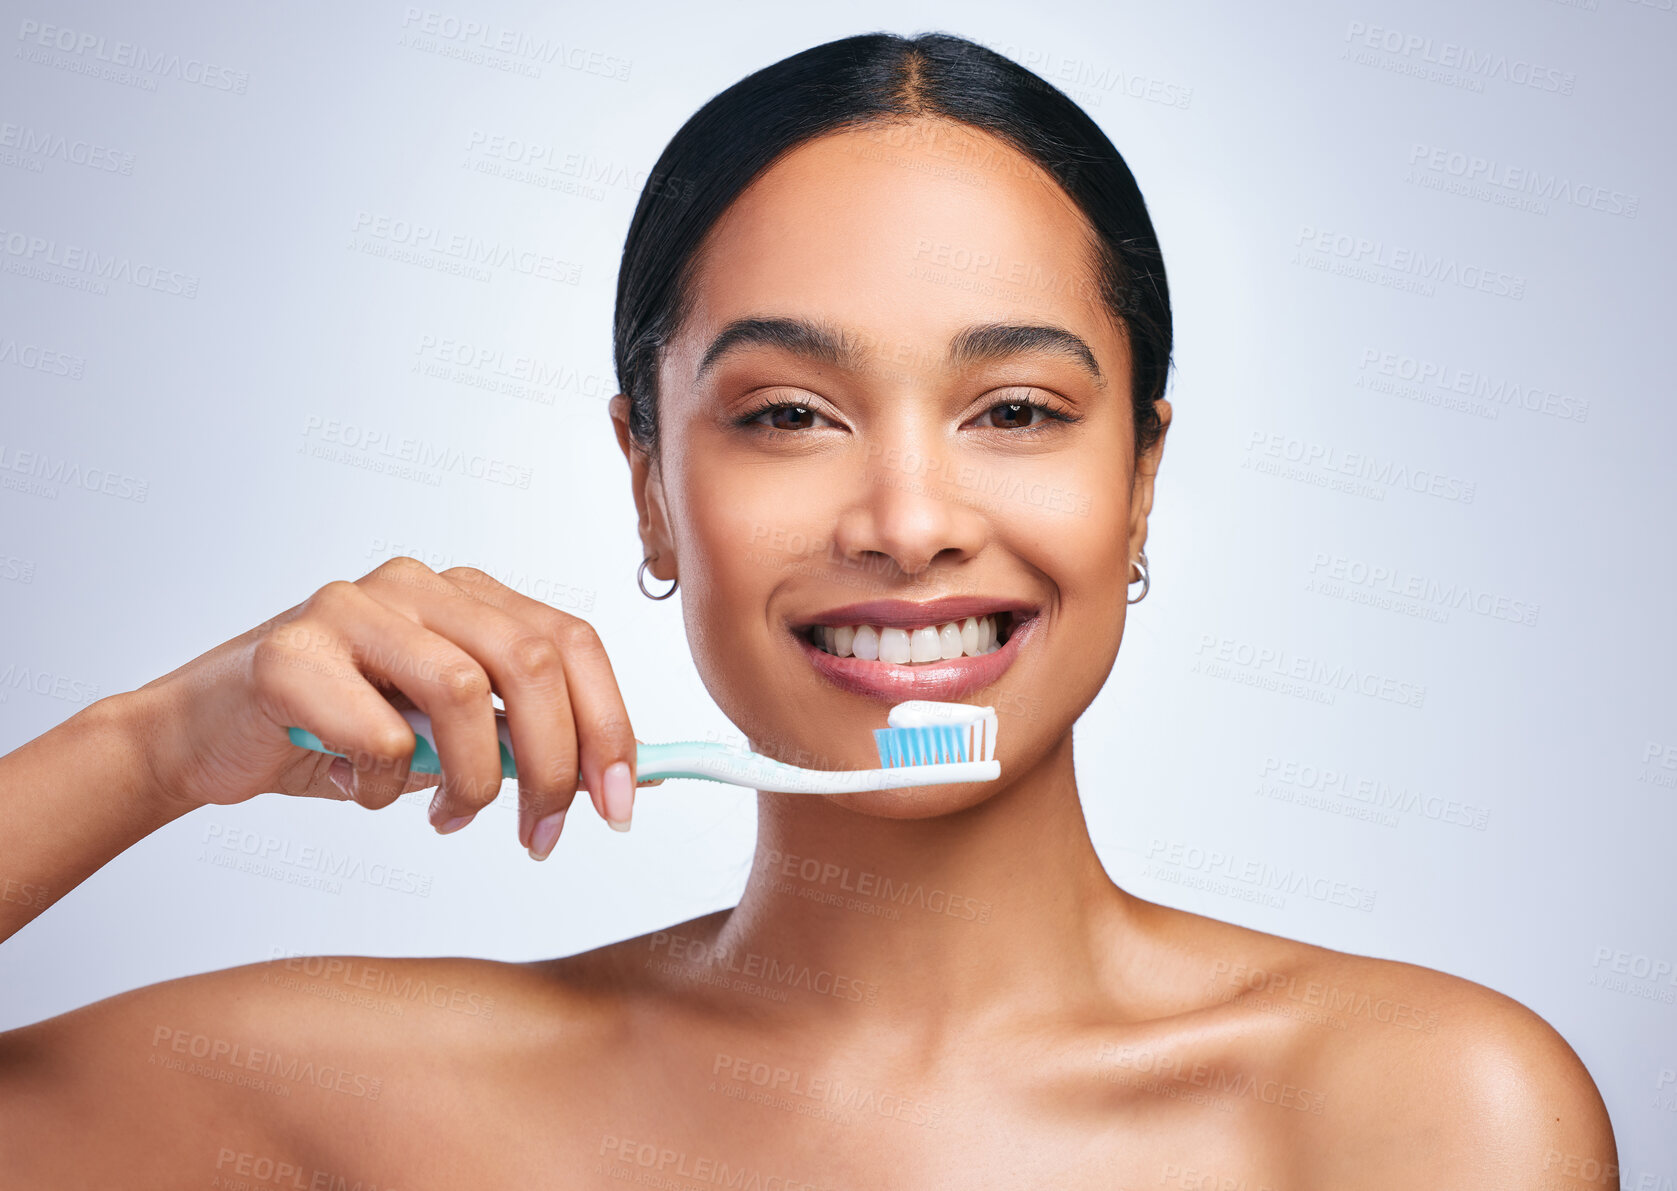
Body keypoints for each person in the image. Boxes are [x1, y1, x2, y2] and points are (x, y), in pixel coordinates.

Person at [0, 31, 1615, 1186]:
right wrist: (151, 747)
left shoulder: (1416, 1112)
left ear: (1138, 483)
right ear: (649, 482)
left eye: (1018, 412)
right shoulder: (352, 1099)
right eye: (785, 413)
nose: (909, 525)